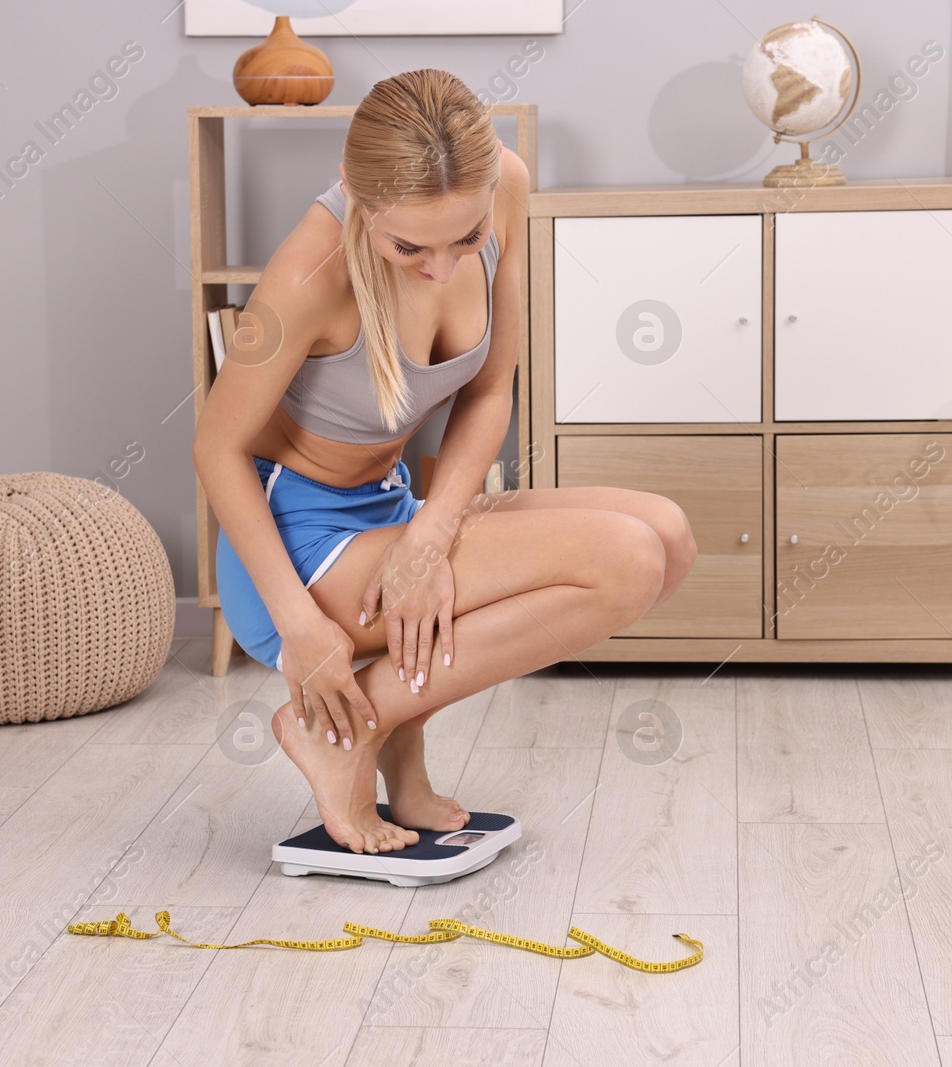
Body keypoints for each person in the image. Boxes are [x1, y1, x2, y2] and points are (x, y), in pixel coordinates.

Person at [194, 68, 696, 857]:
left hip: (390, 507)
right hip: (296, 547)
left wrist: (430, 532)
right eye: (409, 246)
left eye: (465, 239)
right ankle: (342, 731)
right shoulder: (305, 277)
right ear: (353, 193)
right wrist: (300, 627)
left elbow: (491, 391)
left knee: (665, 534)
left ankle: (386, 738)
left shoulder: (509, 186)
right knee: (624, 560)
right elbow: (215, 447)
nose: (441, 266)